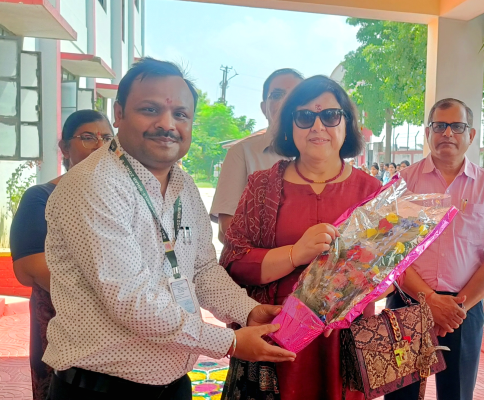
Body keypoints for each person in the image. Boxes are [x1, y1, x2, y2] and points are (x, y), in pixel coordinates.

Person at [42, 58, 295, 400]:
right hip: (99, 388)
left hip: (173, 384)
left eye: (180, 114)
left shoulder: (183, 185)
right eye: (150, 110)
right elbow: (131, 300)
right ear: (119, 113)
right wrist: (230, 342)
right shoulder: (93, 184)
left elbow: (203, 270)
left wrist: (247, 310)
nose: (167, 124)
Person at [220, 75, 381, 400]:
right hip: (275, 334)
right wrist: (296, 253)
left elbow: (393, 270)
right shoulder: (262, 186)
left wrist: (347, 287)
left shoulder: (372, 191)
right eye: (305, 117)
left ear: (347, 124)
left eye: (330, 116)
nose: (317, 126)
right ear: (289, 127)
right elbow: (234, 262)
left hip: (344, 340)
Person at [386, 98, 484, 400]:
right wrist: (429, 300)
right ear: (428, 132)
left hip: (463, 309)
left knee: (457, 394)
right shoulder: (403, 183)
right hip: (408, 302)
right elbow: (391, 253)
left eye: (457, 126)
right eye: (439, 126)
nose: (447, 133)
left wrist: (456, 309)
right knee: (400, 395)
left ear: (471, 135)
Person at [9, 110, 113, 400]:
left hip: (125, 341)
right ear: (65, 147)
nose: (99, 145)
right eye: (87, 137)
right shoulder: (40, 198)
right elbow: (32, 268)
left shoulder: (123, 198)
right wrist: (120, 302)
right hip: (64, 336)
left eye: (107, 138)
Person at [211, 68, 304, 243]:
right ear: (264, 108)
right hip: (259, 261)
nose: (286, 102)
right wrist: (293, 253)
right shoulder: (241, 153)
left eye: (295, 95)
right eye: (277, 95)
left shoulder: (317, 154)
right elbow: (227, 231)